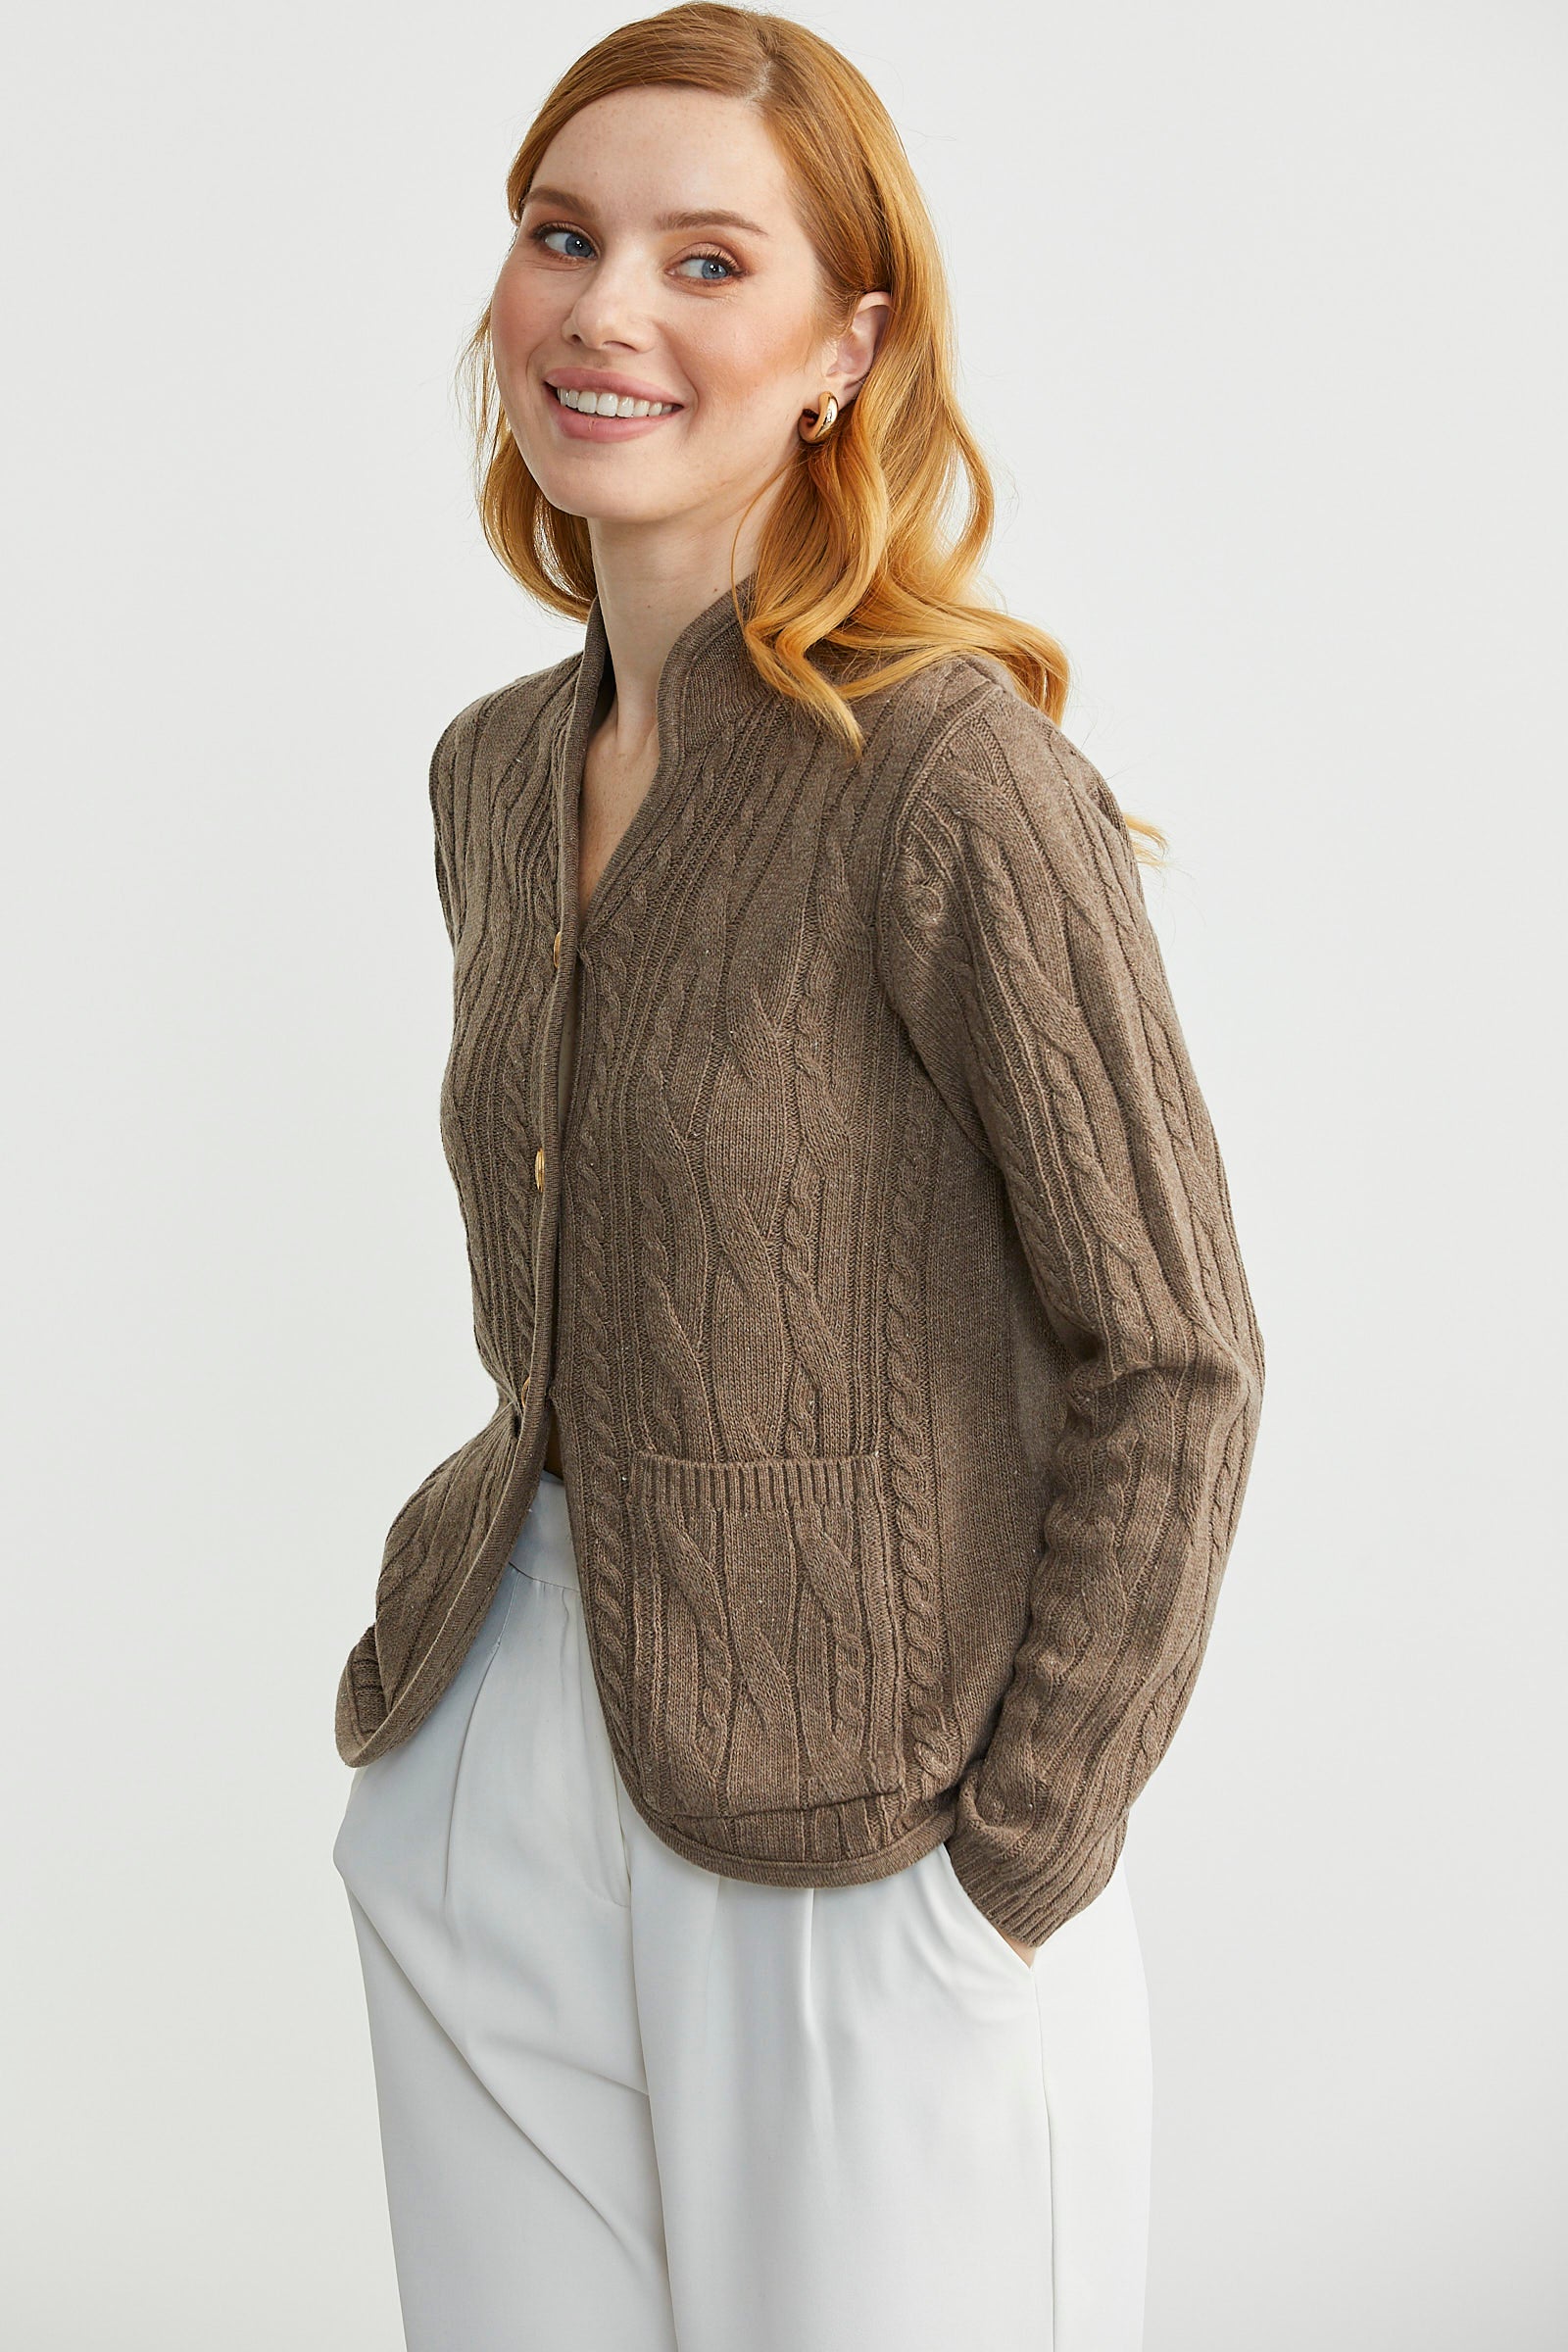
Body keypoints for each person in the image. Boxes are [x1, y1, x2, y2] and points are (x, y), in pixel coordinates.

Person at [331, 8, 1265, 2348]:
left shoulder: (949, 777)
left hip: (867, 1835)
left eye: (704, 260)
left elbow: (1172, 1354)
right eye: (562, 237)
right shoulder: (492, 772)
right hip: (491, 1767)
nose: (602, 313)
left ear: (845, 347)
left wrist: (1013, 1860)